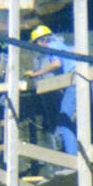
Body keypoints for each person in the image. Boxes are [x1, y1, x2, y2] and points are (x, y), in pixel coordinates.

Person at [25, 24, 78, 155]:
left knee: (64, 119)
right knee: (69, 118)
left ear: (42, 41)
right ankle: (75, 152)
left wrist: (37, 74)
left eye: (36, 44)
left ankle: (73, 157)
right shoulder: (60, 46)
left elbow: (57, 64)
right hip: (75, 82)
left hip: (75, 83)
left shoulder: (53, 46)